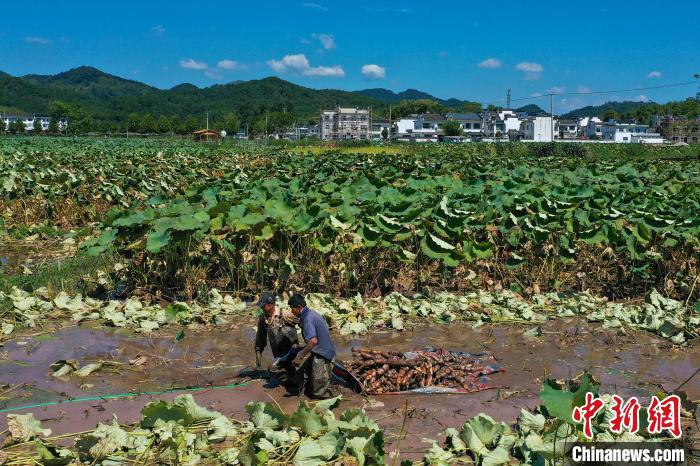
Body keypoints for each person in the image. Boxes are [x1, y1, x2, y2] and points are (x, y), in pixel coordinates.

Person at [288, 293, 336, 399]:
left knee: (318, 390)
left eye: (292, 308)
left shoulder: (307, 319)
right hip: (319, 351)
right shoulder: (311, 313)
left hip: (323, 354)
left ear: (299, 308)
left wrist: (300, 355)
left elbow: (313, 341)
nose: (291, 311)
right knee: (302, 374)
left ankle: (323, 402)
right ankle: (304, 394)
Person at [254, 292, 299, 388]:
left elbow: (302, 322)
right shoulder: (263, 319)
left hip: (291, 350)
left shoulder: (285, 314)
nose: (261, 308)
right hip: (278, 352)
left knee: (273, 368)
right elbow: (260, 338)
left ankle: (294, 383)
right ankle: (290, 382)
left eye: (263, 305)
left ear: (270, 304)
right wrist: (258, 352)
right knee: (277, 370)